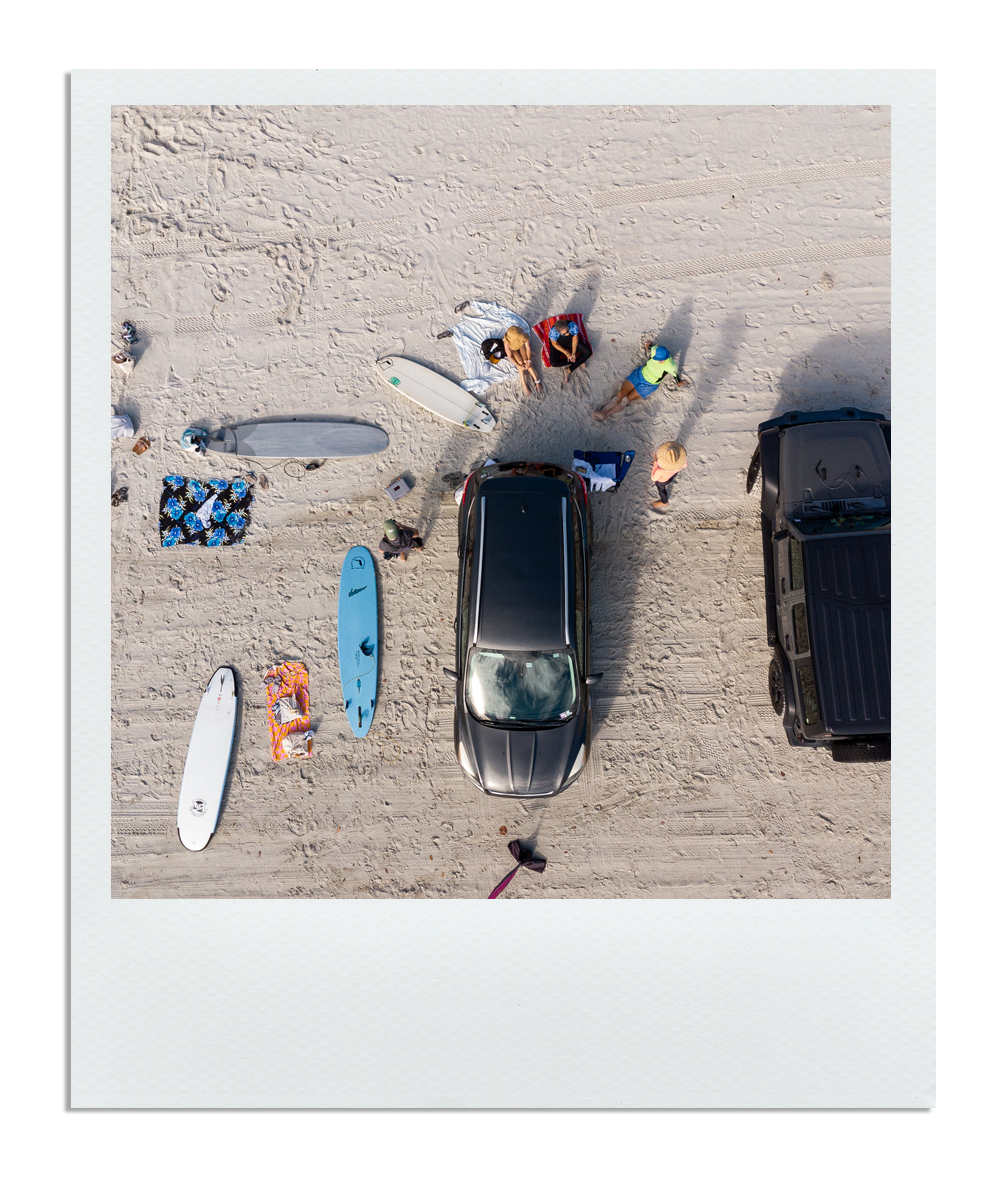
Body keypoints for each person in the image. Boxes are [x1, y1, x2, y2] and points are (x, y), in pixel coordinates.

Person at [593, 342, 688, 421]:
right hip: (640, 374)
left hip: (649, 385)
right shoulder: (655, 350)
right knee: (621, 394)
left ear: (666, 357)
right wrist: (648, 345)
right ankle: (603, 412)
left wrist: (680, 383)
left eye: (660, 360)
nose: (659, 361)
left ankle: (607, 414)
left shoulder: (671, 366)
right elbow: (650, 347)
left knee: (626, 399)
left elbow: (676, 378)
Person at [547, 319, 592, 384]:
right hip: (559, 343)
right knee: (553, 363)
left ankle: (569, 369)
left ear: (566, 325)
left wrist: (573, 353)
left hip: (570, 341)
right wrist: (567, 353)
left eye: (568, 330)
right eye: (564, 333)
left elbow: (575, 338)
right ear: (558, 332)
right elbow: (555, 344)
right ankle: (579, 361)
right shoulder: (553, 332)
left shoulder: (572, 325)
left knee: (588, 352)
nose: (567, 333)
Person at [502, 325, 541, 396]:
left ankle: (537, 380)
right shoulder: (507, 342)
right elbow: (510, 356)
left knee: (525, 360)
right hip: (513, 349)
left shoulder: (523, 337)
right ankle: (524, 384)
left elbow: (528, 349)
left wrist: (529, 361)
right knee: (520, 362)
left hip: (520, 345)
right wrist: (518, 366)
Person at [650, 442, 687, 513]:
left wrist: (655, 463)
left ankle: (664, 502)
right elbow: (685, 465)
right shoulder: (680, 465)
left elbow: (653, 478)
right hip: (672, 475)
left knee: (662, 490)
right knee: (671, 476)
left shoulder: (659, 471)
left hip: (662, 481)